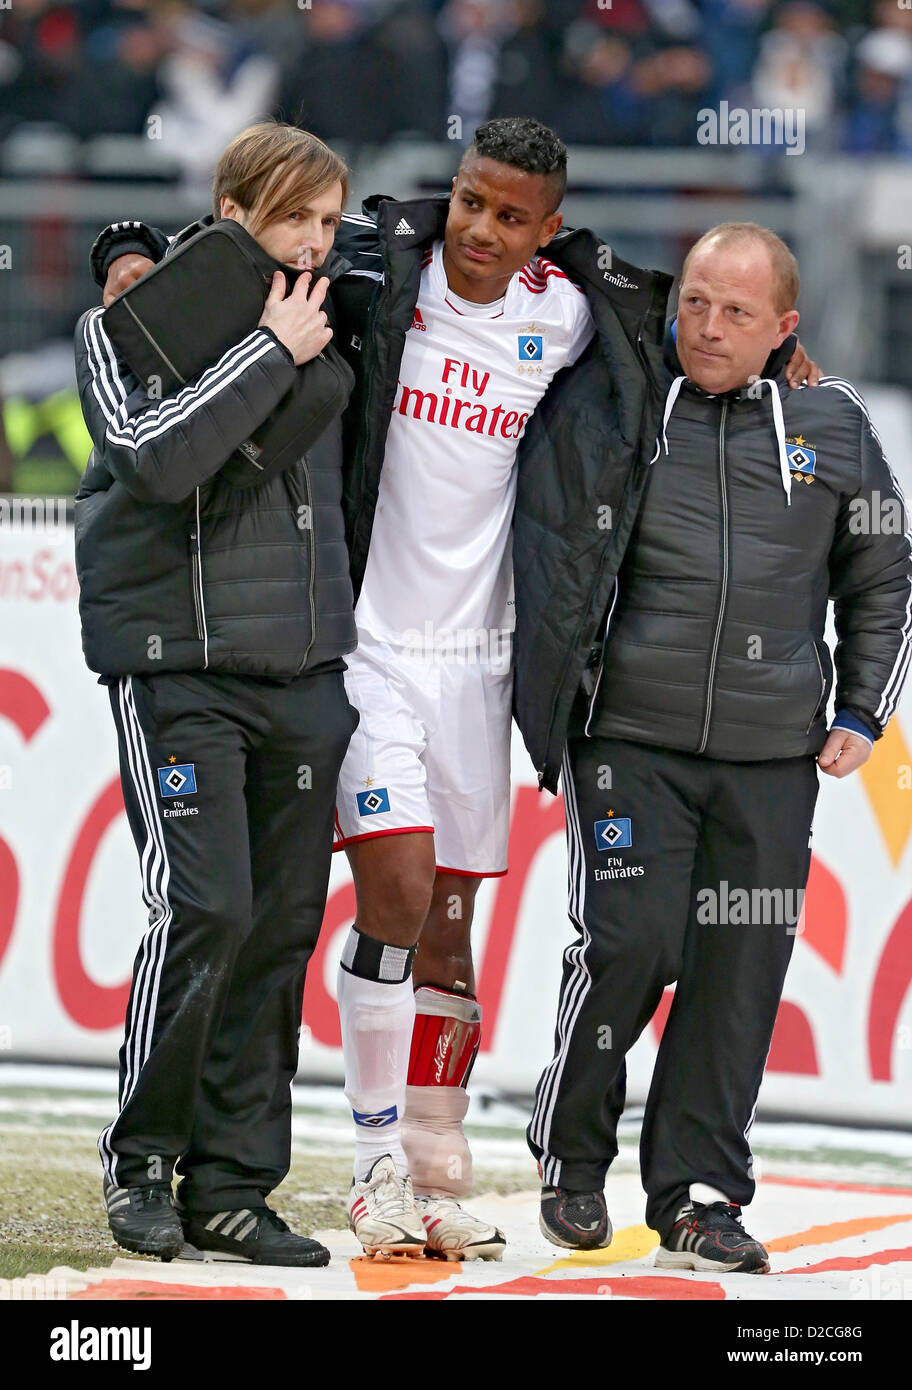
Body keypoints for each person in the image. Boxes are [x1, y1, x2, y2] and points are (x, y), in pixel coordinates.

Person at [93, 122, 819, 1261]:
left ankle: (431, 1172)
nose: (482, 229)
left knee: (449, 927)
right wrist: (129, 245)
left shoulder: (573, 312)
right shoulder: (378, 275)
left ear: (548, 229)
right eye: (471, 201)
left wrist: (779, 352)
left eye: (510, 214)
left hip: (486, 664)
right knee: (394, 889)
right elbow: (242, 246)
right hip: (367, 648)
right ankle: (374, 1163)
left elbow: (681, 314)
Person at [513, 222, 912, 1271]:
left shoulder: (832, 422)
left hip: (774, 755)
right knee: (634, 940)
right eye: (693, 301)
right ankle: (573, 1153)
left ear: (786, 328)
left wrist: (863, 707)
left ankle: (694, 1196)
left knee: (738, 977)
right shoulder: (626, 403)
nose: (708, 327)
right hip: (628, 742)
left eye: (737, 311)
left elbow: (880, 572)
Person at [74, 121, 360, 1267]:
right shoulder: (121, 328)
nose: (316, 241)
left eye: (331, 223)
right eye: (297, 217)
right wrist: (270, 354)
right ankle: (143, 1160)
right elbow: (150, 456)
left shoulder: (337, 319)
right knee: (206, 911)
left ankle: (234, 1185)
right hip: (177, 668)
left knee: (282, 928)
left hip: (302, 672)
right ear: (236, 211)